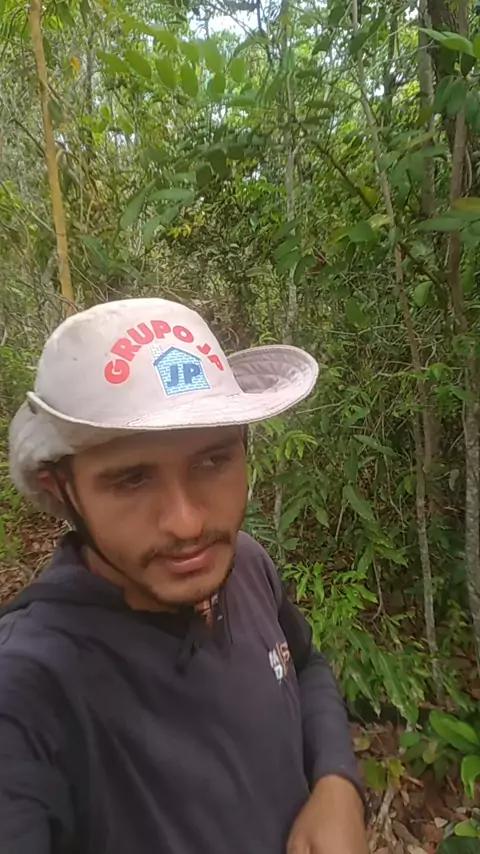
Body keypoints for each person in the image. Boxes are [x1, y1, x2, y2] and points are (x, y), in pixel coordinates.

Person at [1, 298, 368, 854]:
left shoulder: (247, 566)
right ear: (62, 488)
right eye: (131, 479)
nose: (188, 523)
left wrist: (336, 781)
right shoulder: (29, 688)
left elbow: (306, 664)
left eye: (213, 461)